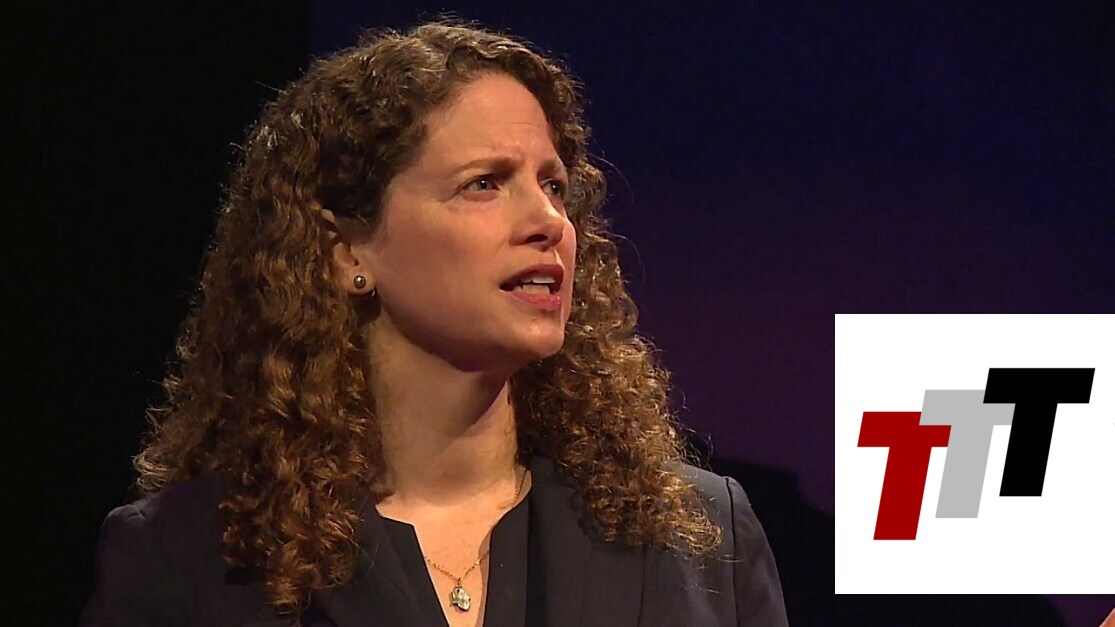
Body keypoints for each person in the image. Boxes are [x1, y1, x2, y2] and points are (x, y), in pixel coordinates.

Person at [79, 20, 788, 627]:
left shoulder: (699, 537)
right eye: (484, 183)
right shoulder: (181, 559)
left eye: (553, 185)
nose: (548, 220)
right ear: (348, 252)